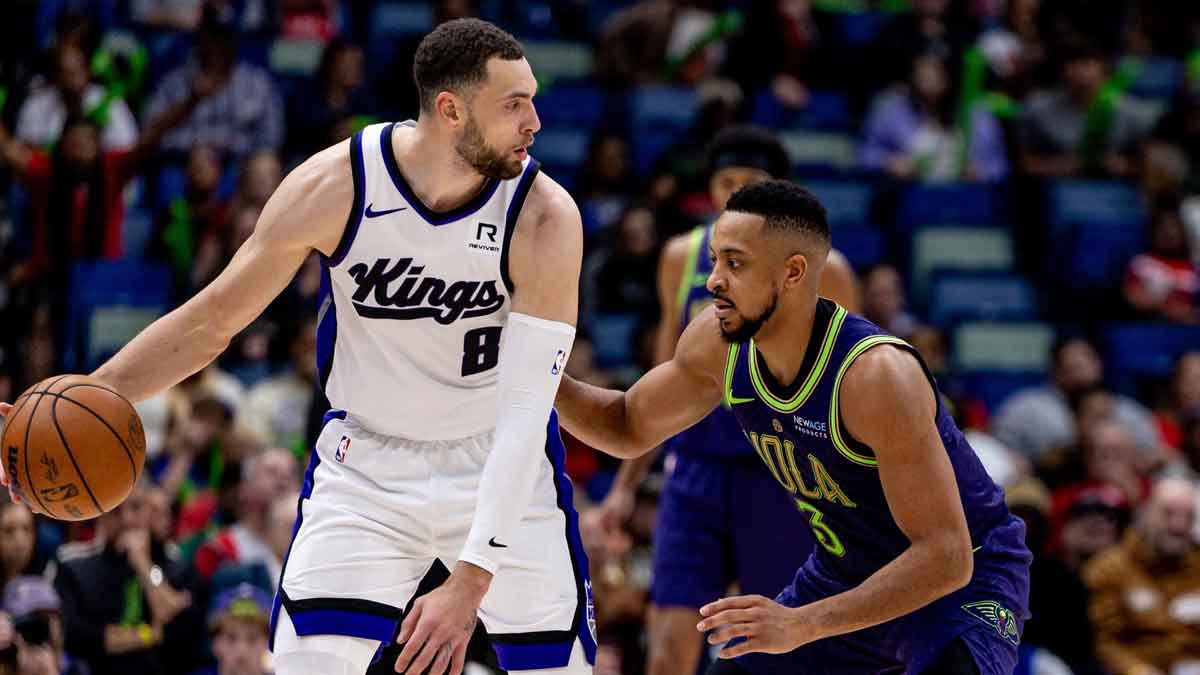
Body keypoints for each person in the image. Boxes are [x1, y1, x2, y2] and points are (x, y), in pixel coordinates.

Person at [2, 17, 590, 675]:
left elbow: (525, 414)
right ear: (451, 111)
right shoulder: (337, 186)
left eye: (533, 98)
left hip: (496, 457)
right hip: (367, 466)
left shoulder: (544, 217)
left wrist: (473, 579)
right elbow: (213, 320)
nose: (536, 120)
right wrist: (83, 400)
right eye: (515, 104)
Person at [556, 179, 1032, 674]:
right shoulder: (718, 343)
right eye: (715, 259)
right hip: (843, 575)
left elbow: (945, 556)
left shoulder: (874, 376)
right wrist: (539, 371)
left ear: (793, 273)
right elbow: (628, 424)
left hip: (961, 584)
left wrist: (801, 624)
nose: (713, 280)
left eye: (735, 263)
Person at [586, 125, 860, 675]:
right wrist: (624, 487)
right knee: (668, 646)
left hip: (783, 473)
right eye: (724, 182)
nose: (733, 194)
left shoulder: (826, 272)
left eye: (749, 183)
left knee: (777, 649)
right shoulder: (682, 257)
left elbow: (850, 390)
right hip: (697, 468)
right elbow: (661, 383)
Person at [1083, 478, 1200, 674]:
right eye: (1168, 514)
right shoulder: (1109, 569)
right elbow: (1103, 642)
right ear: (1145, 514)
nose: (1178, 526)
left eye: (1188, 517)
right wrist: (1136, 670)